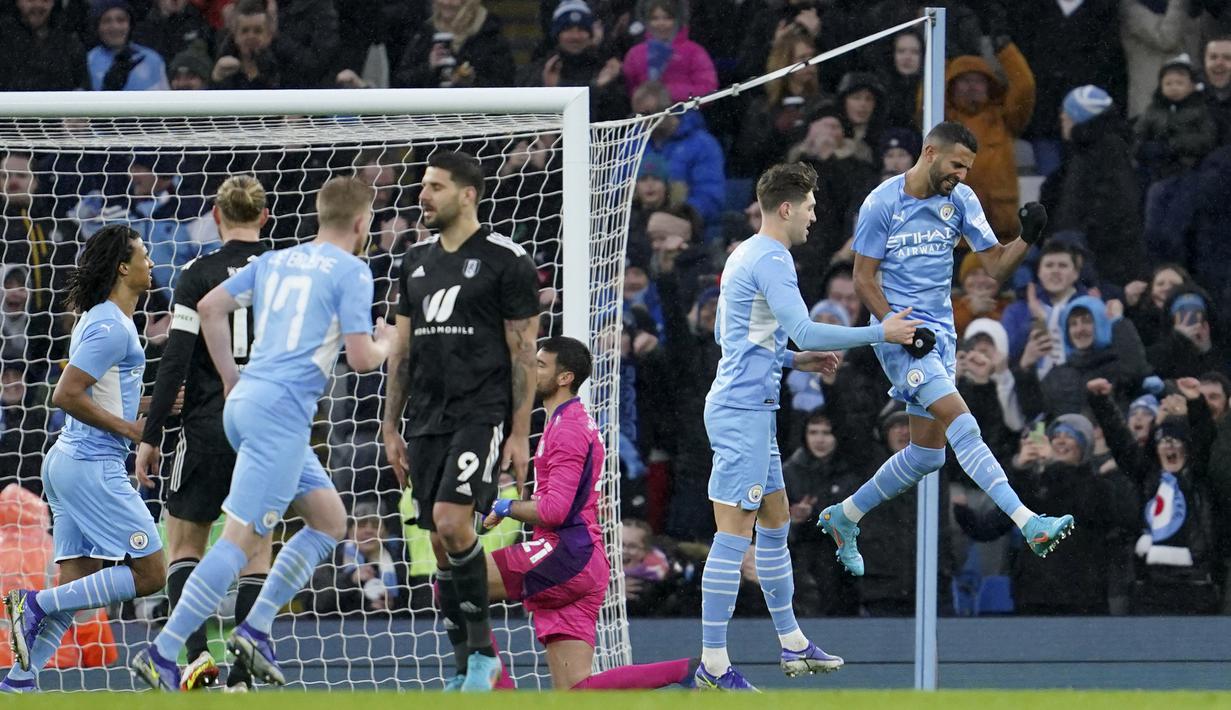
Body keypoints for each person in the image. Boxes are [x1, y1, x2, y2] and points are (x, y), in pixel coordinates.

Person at [129, 176, 395, 690]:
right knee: (237, 543)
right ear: (363, 224)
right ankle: (163, 652)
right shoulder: (353, 271)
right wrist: (390, 342)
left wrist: (230, 376)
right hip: (278, 413)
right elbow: (362, 360)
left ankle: (253, 630)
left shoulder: (278, 260)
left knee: (328, 520)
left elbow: (209, 309)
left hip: (246, 404)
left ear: (319, 216)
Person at [695, 161, 921, 690]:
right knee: (733, 537)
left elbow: (741, 341)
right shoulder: (772, 258)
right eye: (813, 207)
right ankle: (712, 663)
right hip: (740, 415)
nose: (816, 218)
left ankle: (793, 641)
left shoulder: (744, 255)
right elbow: (802, 328)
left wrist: (796, 362)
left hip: (752, 409)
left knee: (774, 525)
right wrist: (880, 332)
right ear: (788, 207)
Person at [819, 121, 1075, 583]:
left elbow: (995, 266)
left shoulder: (960, 200)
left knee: (927, 456)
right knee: (964, 422)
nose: (962, 174)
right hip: (901, 337)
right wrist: (894, 327)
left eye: (968, 167)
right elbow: (862, 278)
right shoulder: (882, 202)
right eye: (957, 164)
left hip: (940, 335)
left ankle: (845, 515)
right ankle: (1028, 522)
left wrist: (1026, 238)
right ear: (930, 152)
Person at [381, 151, 540, 692]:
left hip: (481, 411)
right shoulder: (413, 261)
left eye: (435, 187)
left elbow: (523, 353)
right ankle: (462, 667)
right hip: (424, 418)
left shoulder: (507, 259)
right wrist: (389, 425)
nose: (423, 196)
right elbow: (400, 352)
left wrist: (519, 432)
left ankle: (482, 655)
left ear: (468, 193)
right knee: (444, 542)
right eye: (422, 186)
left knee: (453, 521)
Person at [1, 225, 167, 694]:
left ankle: (20, 678)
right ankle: (33, 605)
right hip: (92, 465)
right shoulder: (113, 326)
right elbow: (66, 394)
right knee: (151, 573)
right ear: (122, 266)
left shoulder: (101, 317)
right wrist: (132, 430)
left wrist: (150, 406)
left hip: (70, 463)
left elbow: (100, 394)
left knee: (79, 586)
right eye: (143, 254)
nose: (150, 262)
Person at [482, 336, 695, 690]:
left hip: (565, 553)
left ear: (564, 377)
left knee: (455, 586)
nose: (531, 372)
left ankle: (499, 692)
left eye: (540, 365)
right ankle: (692, 670)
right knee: (576, 693)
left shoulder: (568, 428)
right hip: (584, 560)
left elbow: (554, 510)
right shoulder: (565, 421)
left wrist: (505, 506)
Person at [131, 176, 273, 692]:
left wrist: (150, 435)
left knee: (184, 543)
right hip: (266, 429)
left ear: (216, 216)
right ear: (264, 216)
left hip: (209, 425)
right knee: (256, 549)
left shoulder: (197, 273)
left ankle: (196, 659)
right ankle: (242, 673)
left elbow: (176, 358)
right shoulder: (285, 272)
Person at [86, 0, 170, 91]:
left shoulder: (152, 59)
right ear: (97, 26)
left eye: (121, 20)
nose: (115, 27)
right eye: (107, 21)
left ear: (130, 25)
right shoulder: (88, 61)